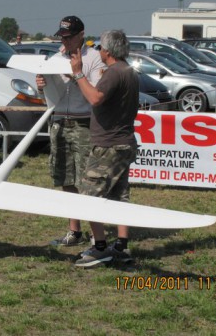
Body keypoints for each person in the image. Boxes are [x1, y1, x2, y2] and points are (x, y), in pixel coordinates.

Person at [70, 30, 139, 268]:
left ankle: (100, 248)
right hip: (125, 143)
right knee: (119, 197)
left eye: (101, 48)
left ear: (108, 52)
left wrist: (78, 73)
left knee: (88, 197)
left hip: (108, 146)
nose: (99, 52)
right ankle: (121, 245)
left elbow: (95, 98)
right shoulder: (128, 70)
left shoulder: (114, 73)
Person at [36, 16, 104, 246]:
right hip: (59, 121)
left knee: (87, 180)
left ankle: (97, 235)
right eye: (62, 37)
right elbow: (47, 94)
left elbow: (95, 94)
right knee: (66, 177)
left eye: (69, 37)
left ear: (81, 35)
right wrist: (41, 84)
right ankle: (74, 230)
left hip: (84, 123)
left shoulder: (94, 57)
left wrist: (77, 74)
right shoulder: (55, 58)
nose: (65, 41)